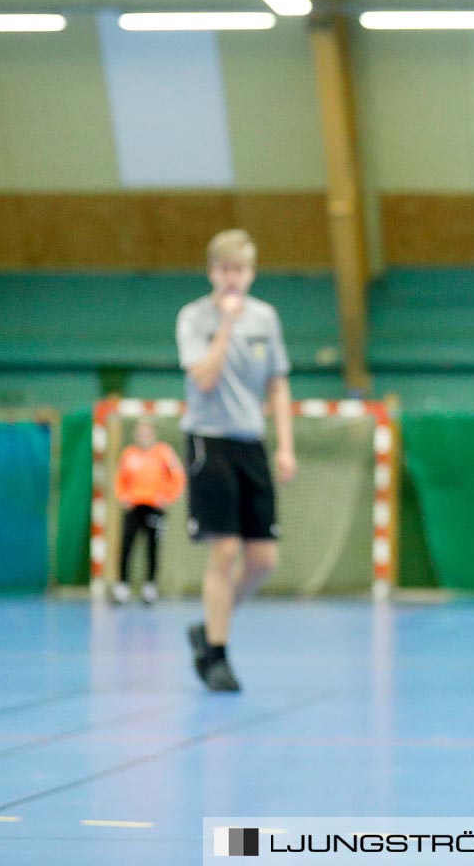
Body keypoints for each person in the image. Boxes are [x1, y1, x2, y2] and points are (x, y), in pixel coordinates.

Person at [176, 229, 295, 693]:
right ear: (212, 272)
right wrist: (225, 326)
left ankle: (208, 628)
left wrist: (284, 445)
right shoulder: (194, 318)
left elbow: (277, 384)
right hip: (210, 439)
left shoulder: (266, 318)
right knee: (224, 549)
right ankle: (217, 657)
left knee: (263, 558)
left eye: (239, 270)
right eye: (224, 270)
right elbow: (203, 378)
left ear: (250, 273)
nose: (231, 278)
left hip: (251, 442)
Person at [112, 418, 184, 604]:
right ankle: (122, 587)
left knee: (153, 548)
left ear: (153, 434)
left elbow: (178, 477)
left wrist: (167, 497)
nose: (143, 435)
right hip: (134, 507)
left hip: (154, 507)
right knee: (126, 546)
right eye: (140, 432)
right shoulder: (128, 454)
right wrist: (123, 497)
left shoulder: (164, 452)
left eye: (146, 432)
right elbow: (120, 479)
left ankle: (150, 588)